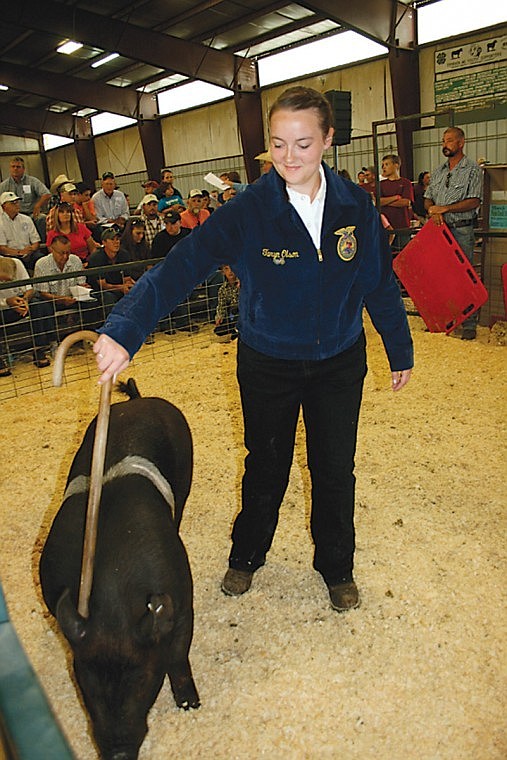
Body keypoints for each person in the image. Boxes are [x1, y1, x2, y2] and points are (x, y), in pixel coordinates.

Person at [93, 85, 413, 613]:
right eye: (279, 144)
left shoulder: (356, 205)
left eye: (304, 144)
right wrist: (127, 328)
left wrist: (398, 349)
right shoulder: (248, 210)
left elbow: (377, 281)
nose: (290, 157)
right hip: (268, 362)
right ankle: (247, 556)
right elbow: (182, 266)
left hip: (339, 359)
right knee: (266, 463)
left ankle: (336, 567)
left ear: (329, 140)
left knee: (335, 468)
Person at [424, 127, 482, 340]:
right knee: (439, 276)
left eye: (449, 141)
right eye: (443, 141)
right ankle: (444, 319)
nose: (444, 145)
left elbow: (474, 200)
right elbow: (428, 197)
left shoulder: (472, 170)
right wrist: (431, 209)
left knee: (464, 276)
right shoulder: (438, 171)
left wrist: (445, 209)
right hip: (439, 231)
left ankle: (469, 324)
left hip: (461, 230)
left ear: (460, 143)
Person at [34, 235, 116, 332]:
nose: (65, 256)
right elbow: (43, 293)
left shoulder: (75, 260)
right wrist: (62, 299)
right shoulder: (42, 264)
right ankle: (51, 340)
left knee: (93, 300)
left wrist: (83, 288)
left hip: (74, 298)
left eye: (67, 252)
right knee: (42, 306)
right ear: (52, 250)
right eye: (61, 253)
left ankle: (89, 333)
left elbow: (81, 283)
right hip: (52, 300)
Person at [0, 256, 54, 374]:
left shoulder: (16, 263)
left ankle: (39, 349)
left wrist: (24, 300)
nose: (4, 283)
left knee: (39, 305)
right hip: (3, 308)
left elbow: (29, 289)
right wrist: (6, 302)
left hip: (19, 303)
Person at [0, 156, 51, 239]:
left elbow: (47, 194)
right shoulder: (4, 185)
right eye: (13, 166)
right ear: (10, 169)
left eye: (18, 167)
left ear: (23, 169)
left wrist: (38, 205)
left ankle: (41, 244)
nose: (15, 169)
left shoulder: (32, 181)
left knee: (42, 218)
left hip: (31, 213)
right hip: (13, 215)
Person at [87, 228, 136, 302]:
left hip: (118, 287)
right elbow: (103, 285)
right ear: (104, 242)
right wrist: (120, 287)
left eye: (117, 239)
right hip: (99, 290)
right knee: (109, 297)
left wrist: (129, 285)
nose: (116, 242)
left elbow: (127, 278)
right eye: (112, 239)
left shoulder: (124, 254)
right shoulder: (96, 258)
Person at [0, 191, 44, 272]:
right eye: (13, 203)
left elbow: (36, 242)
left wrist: (30, 250)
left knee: (41, 260)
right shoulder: (0, 223)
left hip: (30, 253)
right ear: (4, 206)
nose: (17, 205)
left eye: (17, 202)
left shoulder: (26, 219)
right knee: (12, 263)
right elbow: (2, 248)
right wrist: (20, 252)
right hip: (11, 256)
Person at [379, 154, 415, 250]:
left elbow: (406, 202)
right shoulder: (381, 185)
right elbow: (378, 202)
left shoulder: (406, 183)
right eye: (382, 165)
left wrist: (386, 201)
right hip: (385, 227)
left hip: (402, 227)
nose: (383, 167)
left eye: (386, 164)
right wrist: (395, 198)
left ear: (396, 165)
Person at [214, 264, 239, 340]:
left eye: (232, 268)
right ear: (223, 272)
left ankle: (237, 329)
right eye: (227, 269)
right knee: (218, 330)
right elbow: (222, 305)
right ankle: (234, 329)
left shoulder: (242, 284)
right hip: (231, 315)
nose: (230, 271)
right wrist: (219, 316)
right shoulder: (222, 289)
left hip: (241, 312)